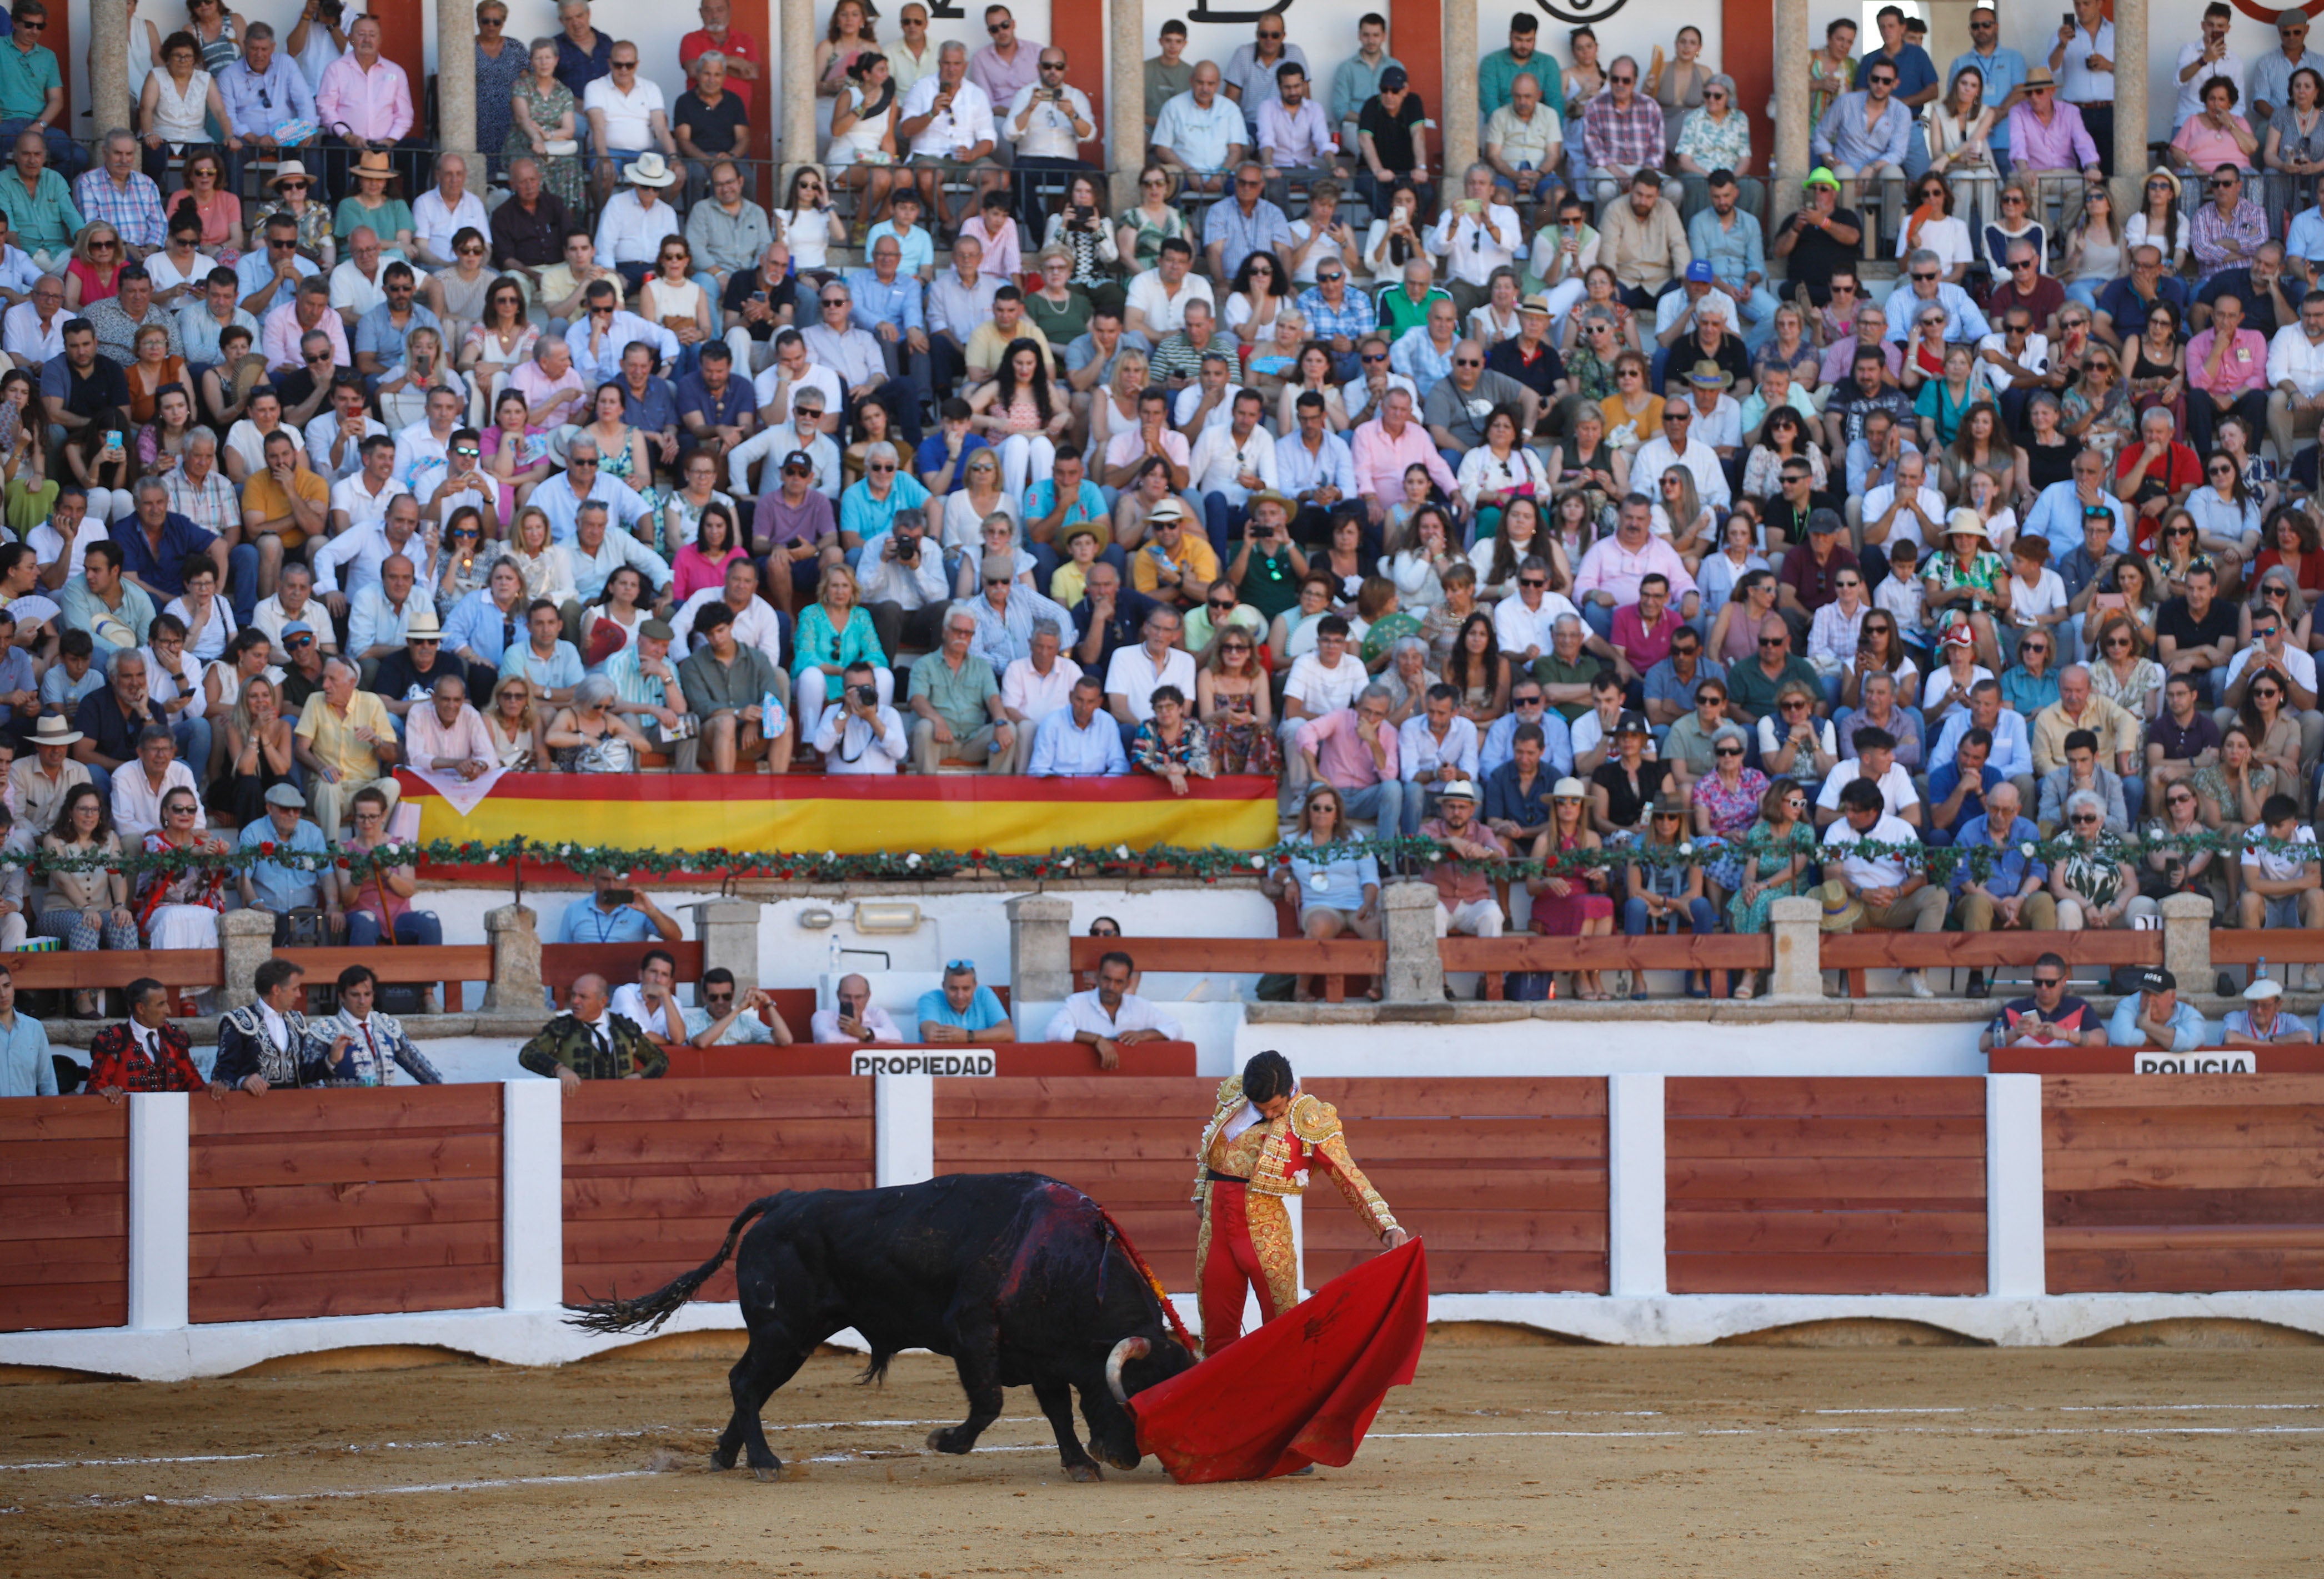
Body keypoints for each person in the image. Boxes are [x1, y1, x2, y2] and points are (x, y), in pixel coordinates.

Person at [1190, 1049, 1403, 1357]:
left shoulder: (1309, 1116)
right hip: (1216, 1230)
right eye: (1260, 1108)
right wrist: (1201, 1192)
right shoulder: (1236, 1094)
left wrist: (1385, 1225)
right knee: (1215, 1335)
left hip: (1265, 1233)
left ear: (1289, 1090)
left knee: (1284, 1330)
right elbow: (1210, 1145)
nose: (1269, 1115)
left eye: (1275, 1108)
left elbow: (1347, 1174)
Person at [1820, 776, 1944, 997]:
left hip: (1894, 902)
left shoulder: (1902, 829)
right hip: (1854, 904)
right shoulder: (1836, 830)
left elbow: (1920, 876)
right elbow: (1831, 873)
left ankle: (1915, 972)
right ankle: (1850, 974)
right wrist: (1860, 891)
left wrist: (1897, 892)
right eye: (1846, 809)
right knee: (1832, 898)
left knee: (1937, 895)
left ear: (1874, 811)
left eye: (1855, 811)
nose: (1848, 816)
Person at [1043, 949, 1181, 1070]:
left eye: (1119, 982)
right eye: (1107, 979)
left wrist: (1143, 1035)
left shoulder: (1140, 1006)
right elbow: (1053, 1031)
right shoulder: (1077, 1002)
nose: (1111, 987)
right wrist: (1097, 1040)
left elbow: (1176, 1028)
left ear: (1128, 983)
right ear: (1097, 976)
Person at [518, 972, 664, 1086]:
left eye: (583, 997)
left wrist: (640, 1076)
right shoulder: (562, 1028)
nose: (575, 1001)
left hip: (623, 1105)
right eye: (574, 994)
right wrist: (559, 1068)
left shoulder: (623, 1028)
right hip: (574, 1106)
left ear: (603, 1002)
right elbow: (528, 1053)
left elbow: (660, 1059)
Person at [212, 958, 316, 1094]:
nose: (299, 994)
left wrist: (331, 1059)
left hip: (293, 1104)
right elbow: (222, 1074)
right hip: (253, 1106)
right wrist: (243, 1081)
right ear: (276, 990)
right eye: (295, 989)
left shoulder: (297, 1021)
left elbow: (305, 1071)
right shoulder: (239, 1021)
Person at [87, 978, 200, 1100]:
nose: (168, 1010)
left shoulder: (173, 1038)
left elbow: (192, 1082)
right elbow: (94, 1090)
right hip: (127, 1118)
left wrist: (209, 1089)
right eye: (161, 1004)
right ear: (141, 1008)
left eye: (166, 1003)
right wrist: (105, 1092)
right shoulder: (114, 1040)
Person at [558, 869, 681, 946]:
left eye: (617, 880)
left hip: (629, 981)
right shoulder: (575, 910)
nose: (611, 886)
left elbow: (676, 938)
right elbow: (561, 952)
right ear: (594, 879)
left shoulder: (639, 909)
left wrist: (653, 912)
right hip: (587, 983)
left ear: (626, 882)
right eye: (605, 880)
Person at [2105, 966, 2208, 1051]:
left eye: (2156, 994)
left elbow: (2188, 1043)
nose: (2149, 1000)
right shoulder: (2129, 1004)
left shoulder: (2189, 1014)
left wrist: (2146, 1026)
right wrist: (2166, 1039)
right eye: (2145, 993)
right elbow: (2123, 1039)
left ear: (2172, 997)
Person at [687, 969, 795, 1048]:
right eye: (713, 997)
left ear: (733, 995)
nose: (720, 1002)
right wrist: (737, 1010)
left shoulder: (746, 1022)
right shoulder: (692, 1020)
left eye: (726, 997)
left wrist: (767, 1002)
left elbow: (785, 1040)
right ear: (704, 997)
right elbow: (702, 1042)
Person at [916, 960, 1015, 1045]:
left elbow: (1008, 1033)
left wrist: (968, 1036)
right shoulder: (930, 998)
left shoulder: (984, 993)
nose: (960, 995)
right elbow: (931, 1035)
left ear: (975, 986)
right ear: (943, 986)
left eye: (966, 989)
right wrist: (985, 1036)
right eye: (954, 989)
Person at [811, 972, 905, 1044]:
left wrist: (865, 1033)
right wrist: (863, 1035)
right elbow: (828, 1039)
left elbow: (897, 1037)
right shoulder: (823, 1016)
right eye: (847, 997)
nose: (853, 1002)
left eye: (858, 997)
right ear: (838, 995)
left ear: (868, 996)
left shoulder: (877, 1014)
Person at [2223, 976, 2311, 1047]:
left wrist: (2272, 1040)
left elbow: (2307, 1037)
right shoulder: (2236, 1018)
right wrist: (2263, 1045)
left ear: (2278, 1005)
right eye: (2254, 1004)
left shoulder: (2288, 1020)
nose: (2259, 1011)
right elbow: (2230, 1039)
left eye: (2265, 1006)